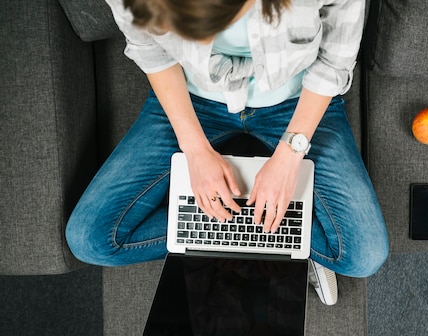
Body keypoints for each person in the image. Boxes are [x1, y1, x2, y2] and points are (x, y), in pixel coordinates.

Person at [65, 0, 389, 305]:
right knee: (89, 240)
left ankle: (264, 240)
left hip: (297, 100)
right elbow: (149, 49)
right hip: (192, 99)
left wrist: (290, 154)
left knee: (363, 256)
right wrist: (193, 149)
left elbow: (334, 60)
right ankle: (286, 243)